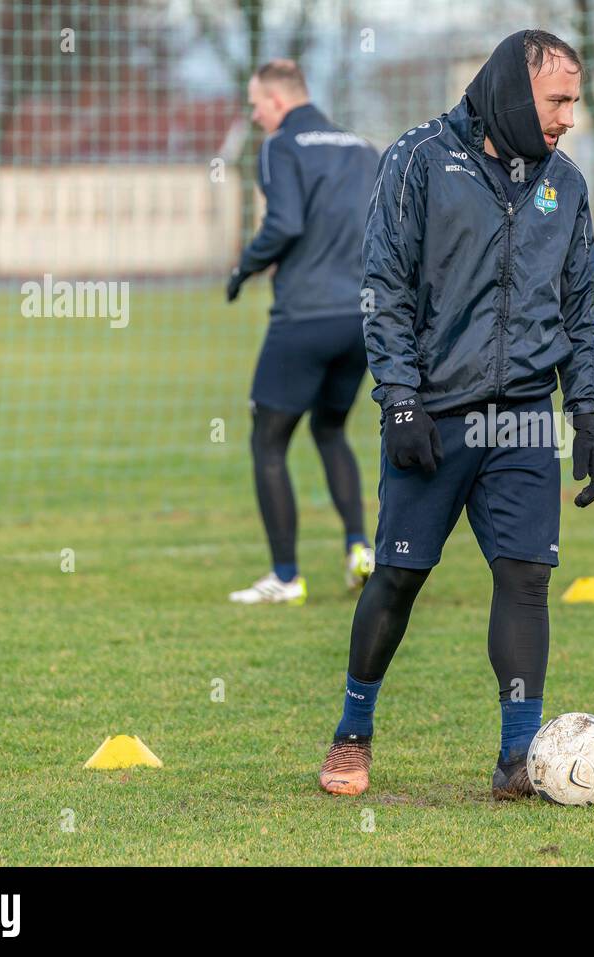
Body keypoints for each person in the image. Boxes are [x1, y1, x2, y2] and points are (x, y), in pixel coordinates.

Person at [316, 30, 594, 798]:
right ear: (516, 90)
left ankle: (518, 758)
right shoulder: (417, 160)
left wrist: (588, 412)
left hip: (522, 420)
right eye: (558, 100)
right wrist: (401, 396)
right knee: (400, 576)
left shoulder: (565, 185)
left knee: (526, 577)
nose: (570, 117)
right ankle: (353, 731)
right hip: (434, 413)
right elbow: (383, 285)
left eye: (575, 101)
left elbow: (581, 311)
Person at [225, 60, 379, 602]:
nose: (254, 113)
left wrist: (243, 267)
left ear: (278, 101)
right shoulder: (362, 148)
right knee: (330, 429)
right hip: (364, 318)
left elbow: (284, 223)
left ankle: (285, 578)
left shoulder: (280, 145)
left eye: (256, 103)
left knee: (267, 442)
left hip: (305, 319)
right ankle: (360, 549)